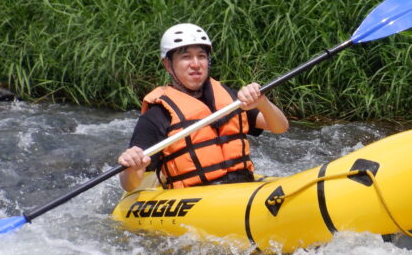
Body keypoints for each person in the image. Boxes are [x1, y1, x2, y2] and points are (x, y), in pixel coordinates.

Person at [117, 23, 289, 192]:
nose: (196, 64)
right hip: (197, 198)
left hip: (242, 187)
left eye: (201, 56)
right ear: (168, 65)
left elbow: (280, 127)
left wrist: (262, 102)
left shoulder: (229, 97)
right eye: (186, 57)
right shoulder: (157, 115)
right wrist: (131, 168)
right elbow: (130, 185)